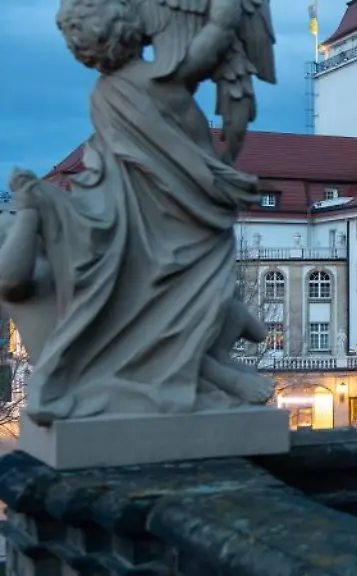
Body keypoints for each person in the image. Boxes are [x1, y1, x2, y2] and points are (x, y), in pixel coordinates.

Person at [7, 0, 267, 424]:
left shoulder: (102, 95)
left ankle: (191, 374)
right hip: (187, 219)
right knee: (182, 306)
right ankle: (202, 376)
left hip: (132, 223)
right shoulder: (162, 78)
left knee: (149, 307)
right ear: (134, 26)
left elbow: (109, 167)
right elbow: (215, 39)